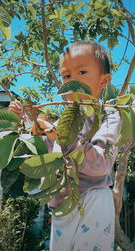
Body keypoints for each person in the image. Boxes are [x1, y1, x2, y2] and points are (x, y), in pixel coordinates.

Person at [9, 41, 121, 251]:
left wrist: (59, 136)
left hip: (93, 199)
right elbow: (46, 156)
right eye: (67, 76)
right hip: (62, 204)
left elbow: (101, 164)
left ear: (103, 81)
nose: (73, 81)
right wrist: (23, 124)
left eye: (82, 72)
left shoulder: (109, 115)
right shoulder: (62, 122)